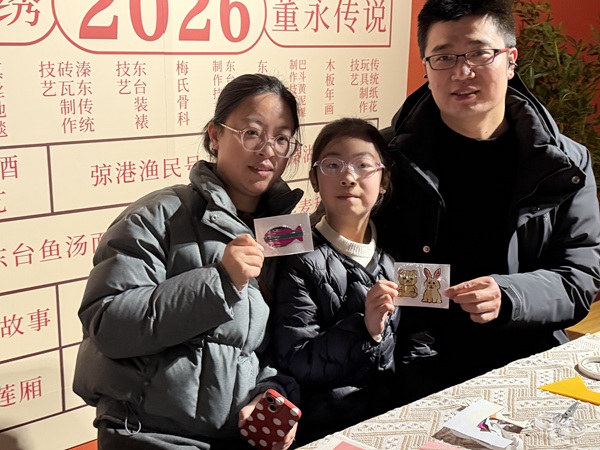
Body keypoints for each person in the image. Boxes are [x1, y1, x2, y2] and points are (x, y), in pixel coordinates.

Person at [375, 0, 600, 403]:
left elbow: (580, 276)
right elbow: (341, 250)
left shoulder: (564, 162)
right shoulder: (386, 158)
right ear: (426, 66)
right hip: (412, 363)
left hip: (524, 358)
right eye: (444, 57)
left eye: (480, 53)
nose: (462, 72)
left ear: (511, 60)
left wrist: (510, 294)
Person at [73, 73, 305, 450]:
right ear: (215, 135)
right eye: (252, 133)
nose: (268, 150)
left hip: (234, 438)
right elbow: (108, 324)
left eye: (281, 138)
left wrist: (270, 392)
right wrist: (220, 281)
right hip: (148, 435)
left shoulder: (279, 233)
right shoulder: (158, 215)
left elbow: (268, 346)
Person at [271, 118, 401, 445]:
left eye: (363, 165)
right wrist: (365, 329)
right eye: (332, 165)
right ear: (315, 179)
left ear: (384, 180)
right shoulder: (298, 259)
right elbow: (296, 360)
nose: (348, 177)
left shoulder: (396, 254)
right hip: (329, 428)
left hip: (393, 420)